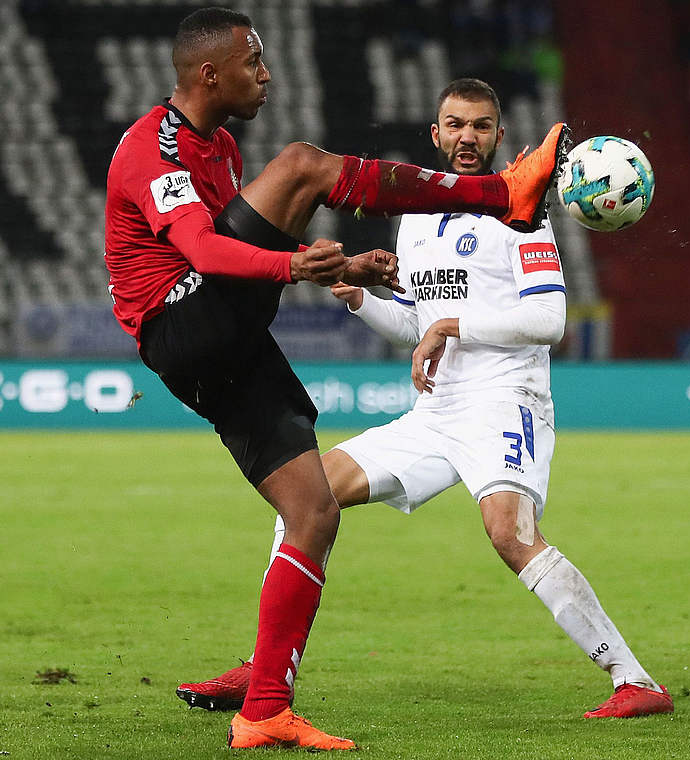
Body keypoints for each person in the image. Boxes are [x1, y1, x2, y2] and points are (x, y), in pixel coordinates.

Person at [104, 7, 567, 750]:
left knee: (314, 509)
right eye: (253, 63)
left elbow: (243, 248)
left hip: (226, 345)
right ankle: (502, 194)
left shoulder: (217, 144)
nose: (266, 75)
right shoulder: (151, 148)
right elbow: (206, 254)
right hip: (177, 322)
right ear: (208, 73)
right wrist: (293, 266)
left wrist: (341, 269)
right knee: (302, 164)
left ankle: (263, 708)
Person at [176, 78, 673, 721]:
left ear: (497, 136)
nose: (468, 137)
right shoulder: (415, 217)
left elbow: (550, 321)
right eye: (455, 125)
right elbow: (418, 323)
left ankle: (634, 681)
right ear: (435, 135)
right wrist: (361, 301)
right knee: (308, 495)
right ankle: (265, 667)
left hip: (505, 401)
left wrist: (452, 327)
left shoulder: (522, 215)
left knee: (510, 533)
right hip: (436, 412)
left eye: (482, 126)